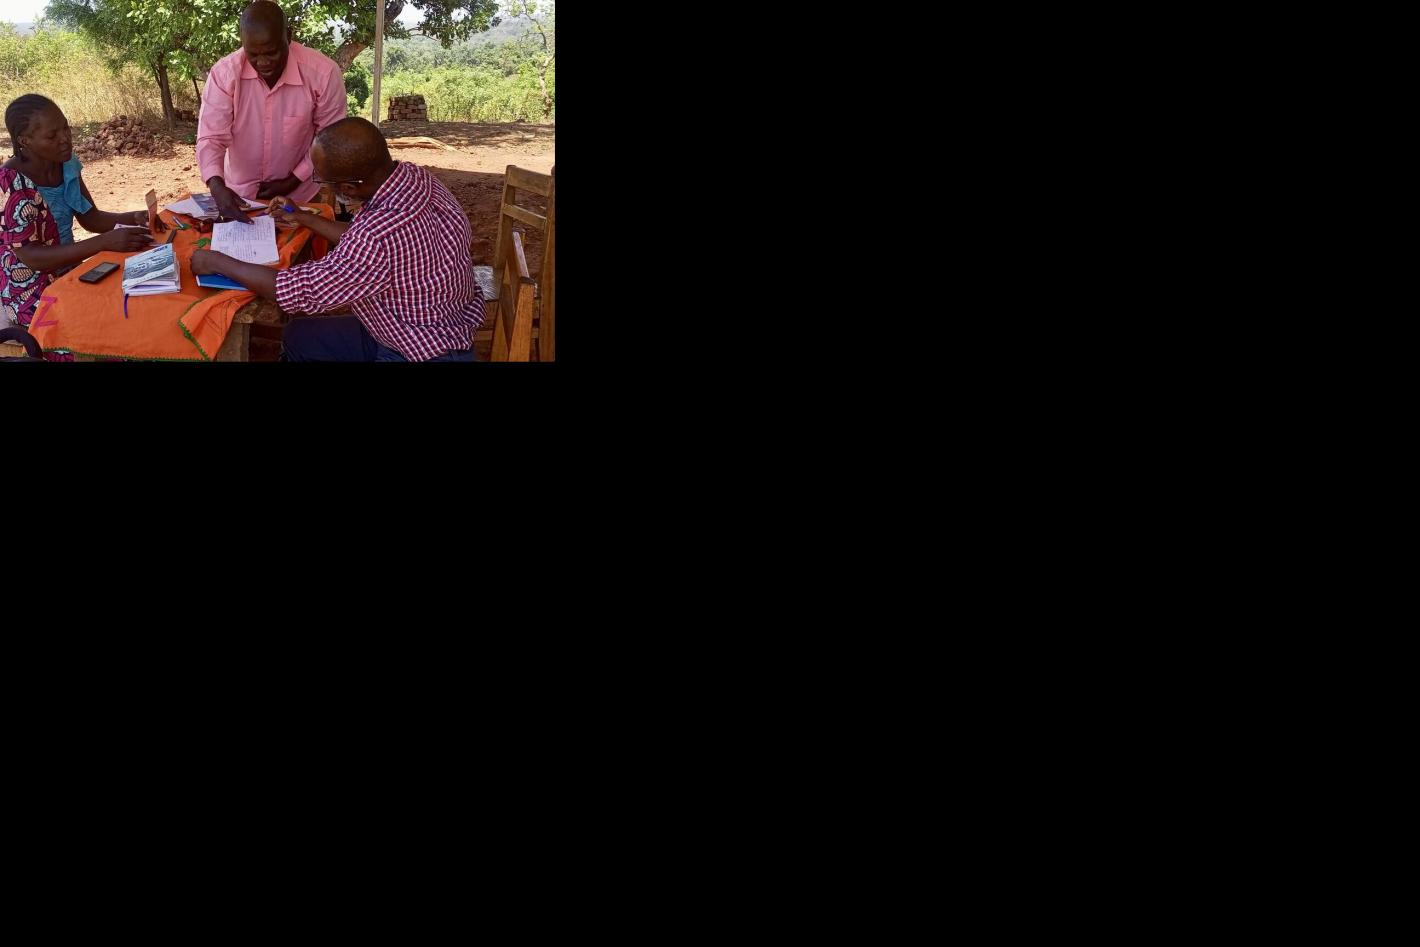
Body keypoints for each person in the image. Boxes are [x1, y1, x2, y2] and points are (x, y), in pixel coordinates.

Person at [191, 117, 484, 361]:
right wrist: (304, 217)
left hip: (418, 350)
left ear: (348, 188)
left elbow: (301, 291)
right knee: (298, 336)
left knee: (302, 329)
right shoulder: (417, 178)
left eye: (322, 179)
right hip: (432, 322)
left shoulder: (375, 236)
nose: (319, 180)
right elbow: (378, 244)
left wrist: (218, 262)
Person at [1, 94, 157, 330]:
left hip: (69, 271)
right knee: (105, 325)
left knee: (136, 303)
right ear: (25, 141)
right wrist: (104, 243)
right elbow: (32, 257)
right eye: (52, 136)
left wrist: (134, 218)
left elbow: (91, 218)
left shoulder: (67, 164)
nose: (65, 139)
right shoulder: (10, 183)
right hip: (28, 290)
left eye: (66, 128)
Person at [197, 0, 347, 223]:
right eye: (253, 54)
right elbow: (211, 138)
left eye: (271, 52)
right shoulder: (224, 75)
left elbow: (329, 139)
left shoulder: (323, 74)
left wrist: (293, 180)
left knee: (301, 245)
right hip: (239, 198)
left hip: (300, 197)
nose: (263, 62)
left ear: (288, 35)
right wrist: (217, 186)